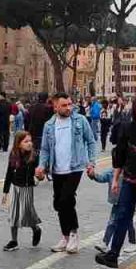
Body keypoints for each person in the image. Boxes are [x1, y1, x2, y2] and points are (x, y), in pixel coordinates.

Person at [95, 95, 136, 269]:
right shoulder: (126, 128)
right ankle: (113, 255)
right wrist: (116, 179)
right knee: (122, 215)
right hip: (129, 179)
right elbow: (120, 155)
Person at [37, 93, 98, 255]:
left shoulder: (80, 121)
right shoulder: (49, 125)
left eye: (70, 104)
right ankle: (65, 236)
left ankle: (73, 234)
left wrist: (91, 162)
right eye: (64, 105)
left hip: (75, 167)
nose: (68, 108)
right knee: (58, 203)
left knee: (66, 199)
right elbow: (44, 149)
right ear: (55, 106)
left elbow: (91, 141)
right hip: (57, 169)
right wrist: (42, 165)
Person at [1, 131, 43, 251]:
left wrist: (40, 176)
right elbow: (9, 173)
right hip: (16, 188)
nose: (29, 143)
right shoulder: (14, 154)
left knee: (26, 213)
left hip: (28, 188)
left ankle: (36, 229)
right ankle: (14, 241)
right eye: (26, 141)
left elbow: (40, 172)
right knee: (14, 214)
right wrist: (5, 191)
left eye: (30, 141)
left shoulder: (34, 156)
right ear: (18, 144)